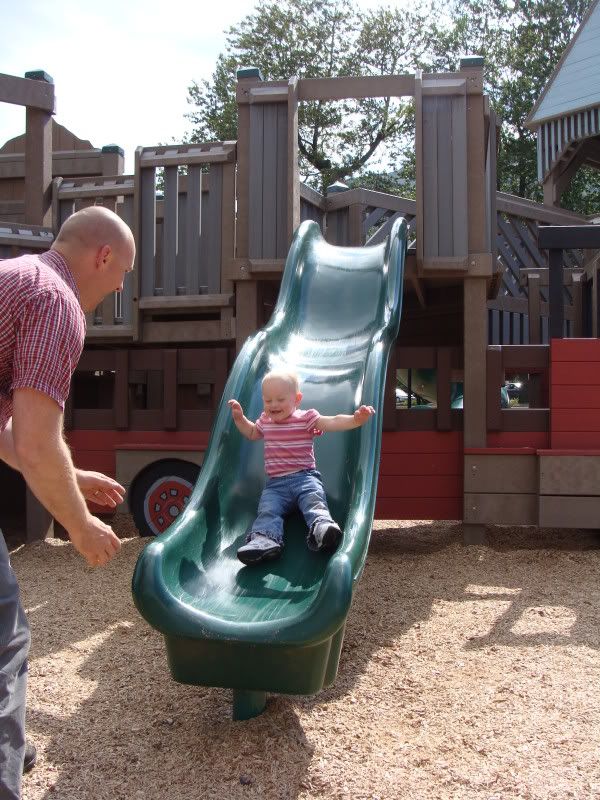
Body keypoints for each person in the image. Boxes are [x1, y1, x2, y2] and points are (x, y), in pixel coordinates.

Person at [0, 205, 135, 799]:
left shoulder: (13, 278)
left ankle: (16, 744)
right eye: (123, 271)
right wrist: (78, 526)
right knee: (4, 643)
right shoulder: (56, 301)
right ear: (103, 255)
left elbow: (17, 440)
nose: (121, 286)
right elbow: (34, 439)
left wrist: (68, 475)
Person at [228, 369, 375, 565]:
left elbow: (331, 422)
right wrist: (240, 419)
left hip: (305, 478)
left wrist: (355, 420)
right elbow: (252, 433)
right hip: (275, 485)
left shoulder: (306, 418)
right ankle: (265, 540)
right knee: (268, 509)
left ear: (296, 399)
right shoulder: (265, 421)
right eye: (268, 400)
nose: (273, 405)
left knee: (314, 500)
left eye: (280, 399)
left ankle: (322, 528)